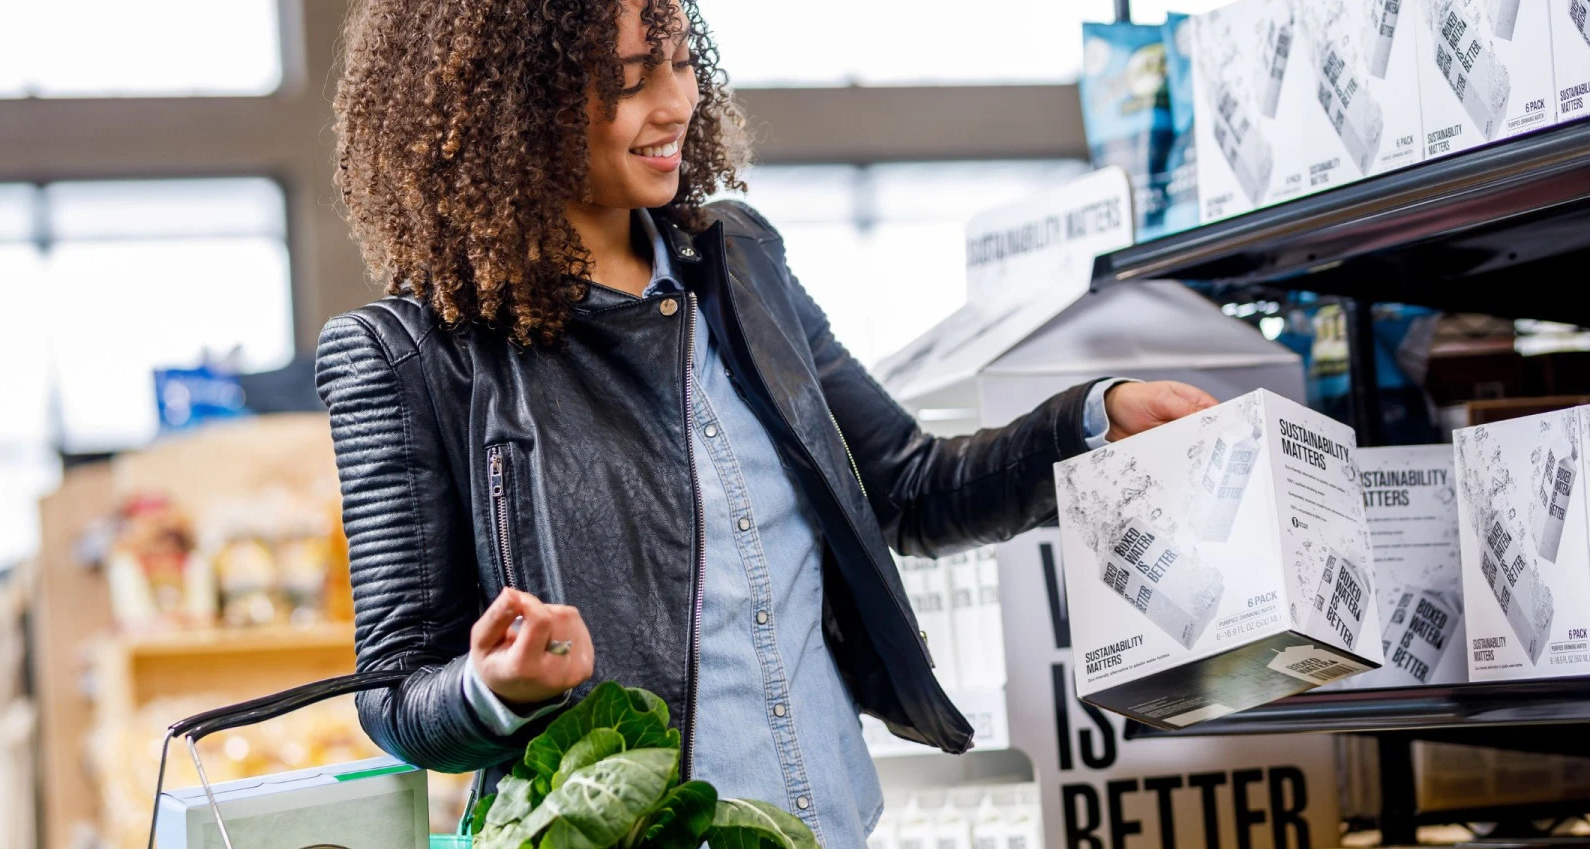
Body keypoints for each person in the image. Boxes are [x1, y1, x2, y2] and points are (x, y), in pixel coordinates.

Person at [316, 1, 1218, 845]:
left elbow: (909, 487)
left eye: (679, 62)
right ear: (512, 103)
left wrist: (1093, 421)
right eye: (630, 80)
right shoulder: (407, 357)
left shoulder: (738, 264)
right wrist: (495, 688)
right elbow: (396, 691)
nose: (675, 101)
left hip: (833, 821)